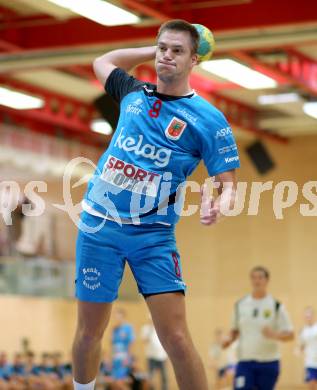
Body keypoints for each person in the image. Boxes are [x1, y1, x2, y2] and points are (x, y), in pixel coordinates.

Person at [72, 19, 240, 390]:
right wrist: (156, 49)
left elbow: (229, 185)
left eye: (177, 51)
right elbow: (104, 60)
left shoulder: (209, 121)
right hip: (99, 227)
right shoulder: (133, 92)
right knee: (88, 331)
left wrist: (221, 202)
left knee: (177, 339)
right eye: (162, 48)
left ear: (195, 60)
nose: (166, 56)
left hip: (153, 236)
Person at [223, 266, 294, 390]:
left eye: (260, 277)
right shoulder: (240, 305)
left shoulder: (276, 306)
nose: (257, 281)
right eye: (254, 277)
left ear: (267, 280)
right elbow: (234, 330)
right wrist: (228, 340)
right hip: (245, 362)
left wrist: (274, 335)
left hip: (269, 362)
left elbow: (290, 335)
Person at [141, 315, 168, 390]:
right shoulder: (146, 328)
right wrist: (151, 329)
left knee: (164, 376)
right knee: (151, 375)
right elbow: (144, 340)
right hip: (151, 356)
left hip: (162, 356)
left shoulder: (162, 328)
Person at [111, 308, 135, 386]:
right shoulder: (114, 329)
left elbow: (131, 343)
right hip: (116, 358)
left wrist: (128, 357)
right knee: (115, 381)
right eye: (116, 316)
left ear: (123, 316)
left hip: (124, 357)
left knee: (122, 381)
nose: (117, 318)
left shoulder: (128, 328)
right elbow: (112, 345)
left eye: (119, 316)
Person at [299, 307, 317, 389]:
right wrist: (299, 350)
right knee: (311, 383)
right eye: (307, 315)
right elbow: (302, 345)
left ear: (313, 316)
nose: (308, 317)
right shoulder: (303, 331)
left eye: (310, 315)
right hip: (310, 362)